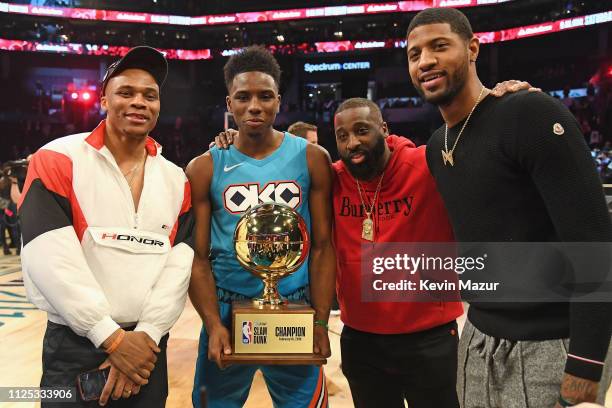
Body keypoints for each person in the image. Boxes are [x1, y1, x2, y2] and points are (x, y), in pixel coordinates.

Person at [406, 7, 612, 407]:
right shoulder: (435, 147)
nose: (425, 60)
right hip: (478, 338)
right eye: (414, 55)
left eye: (439, 46)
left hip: (552, 343)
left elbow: (594, 238)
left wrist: (586, 363)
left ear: (472, 49)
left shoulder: (528, 113)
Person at [19, 46, 194, 407]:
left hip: (148, 349)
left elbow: (179, 267)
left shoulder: (177, 179)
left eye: (150, 95)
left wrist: (146, 336)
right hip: (74, 348)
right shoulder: (57, 158)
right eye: (126, 92)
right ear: (103, 100)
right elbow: (50, 260)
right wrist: (112, 339)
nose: (139, 102)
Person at [187, 46, 336, 408]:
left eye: (264, 96)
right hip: (225, 309)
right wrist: (212, 323)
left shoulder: (312, 158)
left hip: (293, 308)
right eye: (243, 97)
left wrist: (318, 322)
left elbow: (321, 247)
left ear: (278, 101)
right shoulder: (205, 167)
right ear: (229, 103)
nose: (254, 106)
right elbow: (198, 258)